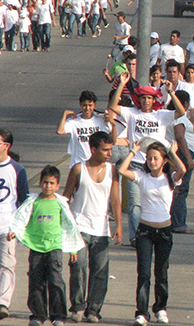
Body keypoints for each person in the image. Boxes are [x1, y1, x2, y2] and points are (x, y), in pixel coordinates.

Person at [109, 72, 186, 245]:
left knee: (156, 200)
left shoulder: (162, 115)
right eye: (143, 98)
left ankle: (155, 231)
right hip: (137, 163)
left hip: (159, 166)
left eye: (149, 98)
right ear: (139, 99)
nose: (146, 101)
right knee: (135, 203)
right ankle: (137, 237)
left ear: (154, 100)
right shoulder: (132, 113)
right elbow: (114, 106)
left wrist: (171, 92)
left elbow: (181, 112)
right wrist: (121, 83)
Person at [118, 140, 186, 326]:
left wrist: (172, 152)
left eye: (155, 158)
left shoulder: (170, 178)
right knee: (144, 273)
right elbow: (122, 171)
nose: (151, 161)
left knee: (161, 272)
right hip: (145, 231)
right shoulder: (141, 176)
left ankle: (161, 308)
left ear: (163, 161)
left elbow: (183, 170)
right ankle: (141, 312)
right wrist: (133, 152)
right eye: (149, 158)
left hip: (164, 231)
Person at [8, 165, 84, 326]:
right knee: (36, 281)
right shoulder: (33, 201)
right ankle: (38, 315)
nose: (47, 186)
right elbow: (21, 217)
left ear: (57, 186)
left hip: (54, 248)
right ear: (41, 183)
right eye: (45, 182)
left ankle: (58, 315)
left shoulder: (60, 203)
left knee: (55, 281)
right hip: (36, 247)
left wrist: (72, 249)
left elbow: (70, 226)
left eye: (51, 183)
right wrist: (15, 231)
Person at [63, 132, 122, 322]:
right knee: (78, 266)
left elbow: (115, 199)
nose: (109, 154)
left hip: (101, 228)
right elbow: (66, 197)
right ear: (93, 149)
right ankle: (78, 306)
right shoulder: (78, 169)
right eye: (105, 150)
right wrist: (65, 226)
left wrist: (119, 225)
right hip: (79, 226)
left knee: (100, 271)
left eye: (110, 150)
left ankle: (94, 310)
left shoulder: (112, 170)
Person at [0, 128, 29, 319]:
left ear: (7, 146)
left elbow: (24, 202)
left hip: (7, 225)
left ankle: (3, 302)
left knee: (6, 265)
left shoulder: (17, 170)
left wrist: (18, 227)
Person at [165, 91, 194, 234]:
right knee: (180, 189)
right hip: (182, 155)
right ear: (184, 103)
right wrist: (188, 159)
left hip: (176, 153)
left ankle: (173, 221)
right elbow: (179, 137)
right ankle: (178, 223)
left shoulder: (172, 116)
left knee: (176, 187)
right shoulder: (178, 118)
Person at [56, 91, 111, 168]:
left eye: (90, 105)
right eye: (84, 105)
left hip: (95, 163)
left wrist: (110, 120)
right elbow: (59, 131)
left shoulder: (101, 119)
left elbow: (112, 133)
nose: (87, 108)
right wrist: (64, 115)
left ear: (94, 105)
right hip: (78, 163)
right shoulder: (74, 121)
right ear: (80, 105)